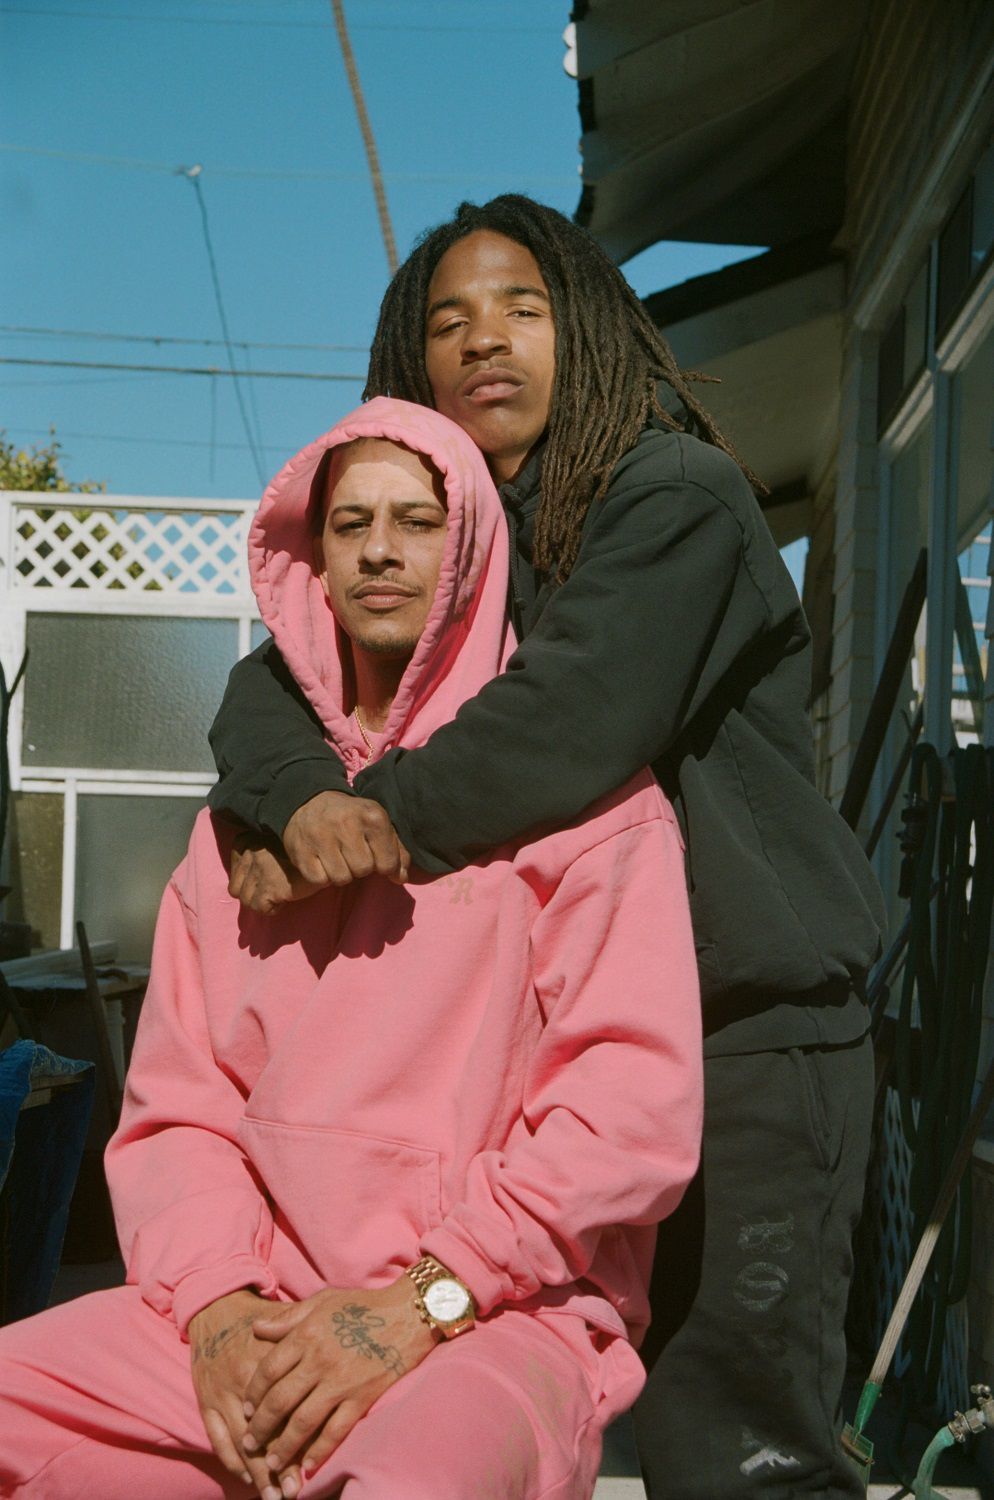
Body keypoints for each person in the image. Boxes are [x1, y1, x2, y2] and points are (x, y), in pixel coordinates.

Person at [209, 194, 887, 1499]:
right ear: (408, 369)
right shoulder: (459, 547)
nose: (485, 339)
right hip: (558, 1077)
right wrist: (291, 805)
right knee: (525, 1426)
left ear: (584, 329)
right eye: (448, 321)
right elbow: (271, 687)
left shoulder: (673, 496)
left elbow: (564, 725)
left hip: (745, 1040)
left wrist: (363, 821)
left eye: (522, 308)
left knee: (737, 1451)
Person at [0, 400, 703, 1500]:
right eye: (350, 524)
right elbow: (181, 1110)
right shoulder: (240, 832)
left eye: (418, 521)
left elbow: (625, 1120)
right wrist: (219, 1306)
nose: (380, 549)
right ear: (313, 566)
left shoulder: (592, 808)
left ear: (472, 553)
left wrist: (415, 1306)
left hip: (492, 1318)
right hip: (256, 1312)